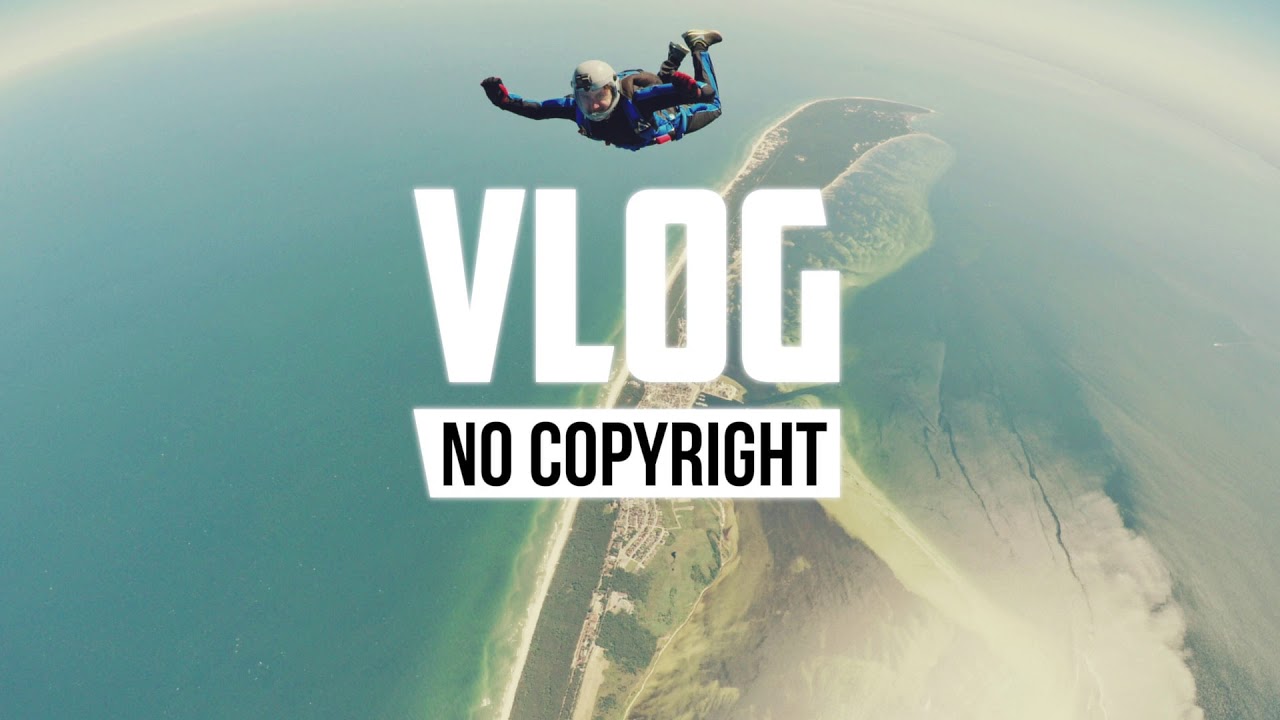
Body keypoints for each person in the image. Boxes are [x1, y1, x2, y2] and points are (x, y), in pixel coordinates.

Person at [480, 30, 724, 151]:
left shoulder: (640, 101)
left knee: (715, 107)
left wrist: (693, 94)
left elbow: (708, 94)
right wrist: (505, 102)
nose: (594, 105)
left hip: (669, 116)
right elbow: (538, 111)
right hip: (644, 120)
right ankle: (672, 61)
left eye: (600, 96)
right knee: (662, 88)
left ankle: (698, 45)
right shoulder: (575, 108)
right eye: (585, 99)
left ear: (614, 90)